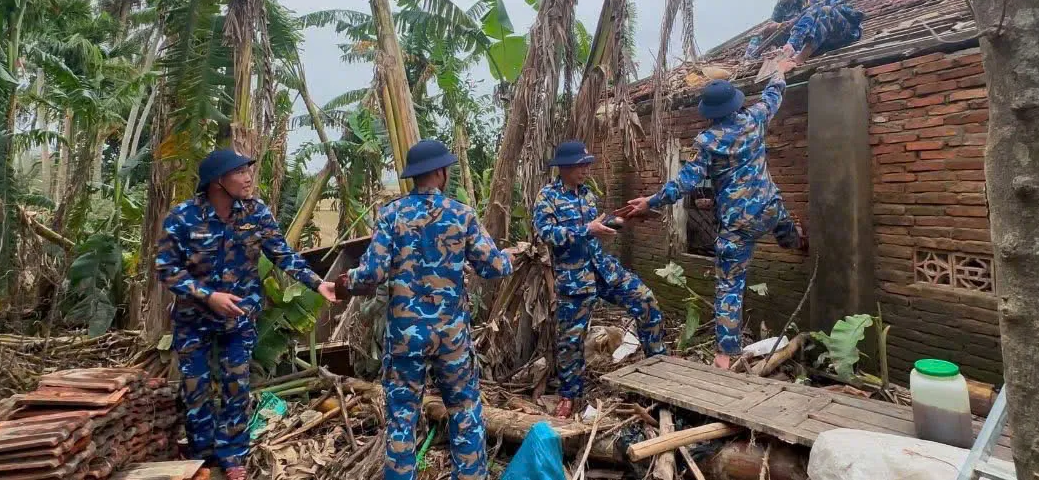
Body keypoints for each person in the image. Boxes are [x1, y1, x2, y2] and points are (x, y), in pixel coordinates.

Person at [156, 149, 340, 480]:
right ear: (217, 182)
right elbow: (166, 269)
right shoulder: (183, 217)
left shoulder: (256, 213)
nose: (248, 177)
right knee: (195, 389)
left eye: (248, 171)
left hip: (238, 319)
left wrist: (318, 283)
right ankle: (201, 457)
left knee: (236, 388)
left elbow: (283, 254)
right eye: (240, 172)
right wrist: (209, 296)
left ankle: (232, 456)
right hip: (193, 319)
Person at [340, 139, 513, 480]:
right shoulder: (461, 214)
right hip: (451, 337)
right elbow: (494, 267)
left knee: (402, 419)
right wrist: (506, 257)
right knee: (464, 412)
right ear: (440, 172)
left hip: (406, 337)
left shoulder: (391, 215)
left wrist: (349, 280)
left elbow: (372, 274)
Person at [624, 65, 808, 370]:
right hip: (769, 207)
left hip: (738, 224)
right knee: (784, 225)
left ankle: (724, 355)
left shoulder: (707, 141)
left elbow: (684, 183)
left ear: (709, 112)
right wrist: (779, 71)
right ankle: (797, 240)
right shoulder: (754, 118)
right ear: (735, 104)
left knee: (729, 286)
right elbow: (773, 95)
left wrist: (650, 202)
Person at [533, 140, 666, 419]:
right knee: (571, 340)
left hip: (604, 270)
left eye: (587, 165)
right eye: (580, 165)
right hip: (574, 277)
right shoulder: (548, 196)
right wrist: (587, 229)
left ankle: (658, 363)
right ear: (564, 167)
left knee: (646, 300)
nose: (586, 170)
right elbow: (546, 234)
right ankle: (569, 395)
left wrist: (622, 221)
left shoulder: (588, 195)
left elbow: (596, 229)